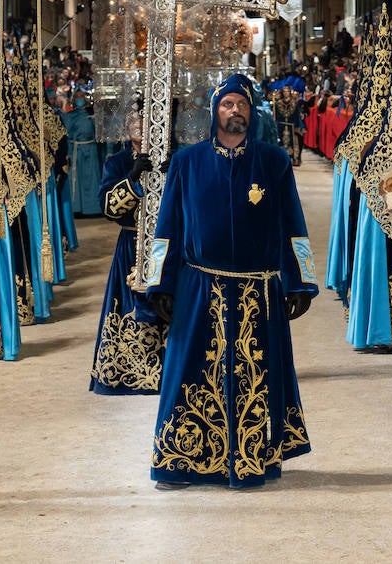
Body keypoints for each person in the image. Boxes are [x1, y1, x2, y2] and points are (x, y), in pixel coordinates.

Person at [144, 74, 317, 489]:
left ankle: (254, 457)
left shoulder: (274, 162)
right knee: (189, 372)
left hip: (259, 290)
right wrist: (159, 284)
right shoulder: (187, 162)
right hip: (199, 288)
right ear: (215, 111)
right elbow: (166, 227)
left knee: (255, 378)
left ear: (251, 110)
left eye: (241, 103)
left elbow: (293, 222)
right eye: (227, 104)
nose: (234, 110)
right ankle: (182, 462)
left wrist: (301, 281)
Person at [89, 112, 167, 395]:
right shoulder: (117, 162)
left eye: (145, 119)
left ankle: (170, 371)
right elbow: (109, 208)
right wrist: (132, 181)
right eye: (132, 119)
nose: (138, 124)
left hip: (166, 246)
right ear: (125, 126)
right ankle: (127, 372)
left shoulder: (173, 158)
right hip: (131, 247)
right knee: (127, 308)